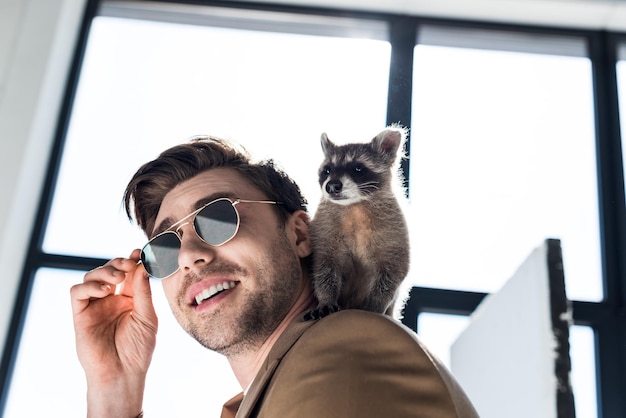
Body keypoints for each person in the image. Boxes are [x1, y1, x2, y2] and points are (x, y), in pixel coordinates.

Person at [70, 135, 479, 418]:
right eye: (166, 245)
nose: (191, 256)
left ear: (300, 233)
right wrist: (114, 394)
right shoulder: (263, 396)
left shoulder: (350, 345)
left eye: (218, 217)